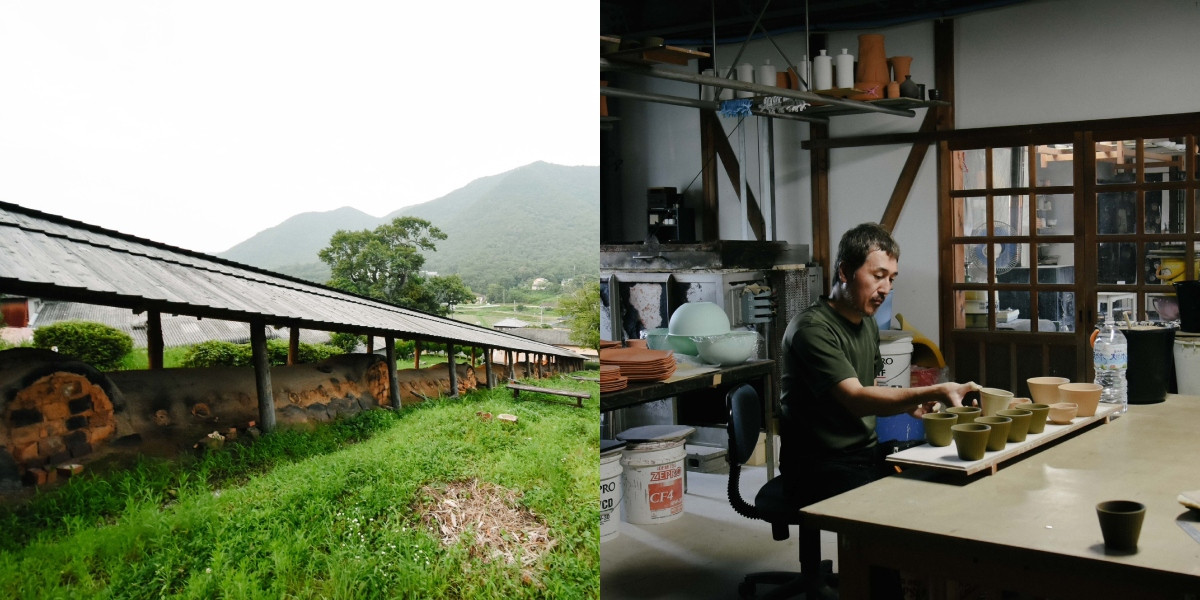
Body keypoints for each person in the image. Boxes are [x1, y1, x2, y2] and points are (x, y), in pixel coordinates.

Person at [778, 222, 978, 503]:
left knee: (943, 476)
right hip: (818, 465)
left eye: (892, 279)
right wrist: (934, 390)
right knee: (905, 505)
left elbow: (871, 394)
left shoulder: (867, 324)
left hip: (862, 454)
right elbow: (857, 399)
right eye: (878, 276)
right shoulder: (811, 329)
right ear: (845, 271)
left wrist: (910, 404)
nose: (886, 289)